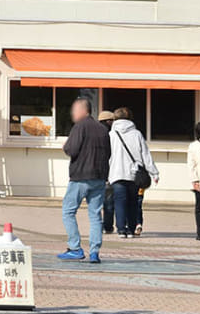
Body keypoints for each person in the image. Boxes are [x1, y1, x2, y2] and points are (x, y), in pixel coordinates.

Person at [59, 95, 110, 263]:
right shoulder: (102, 129)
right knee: (95, 215)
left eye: (74, 110)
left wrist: (65, 146)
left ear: (83, 110)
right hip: (99, 177)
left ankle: (75, 248)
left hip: (80, 177)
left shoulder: (79, 127)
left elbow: (71, 149)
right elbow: (109, 153)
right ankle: (94, 252)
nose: (73, 114)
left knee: (68, 211)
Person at [107, 107, 159, 238]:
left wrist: (104, 173)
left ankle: (121, 229)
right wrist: (154, 172)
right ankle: (130, 229)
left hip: (116, 173)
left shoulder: (111, 135)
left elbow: (107, 156)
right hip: (134, 174)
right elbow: (145, 155)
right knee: (133, 202)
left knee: (119, 202)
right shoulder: (137, 134)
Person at [97, 110, 116, 234]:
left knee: (96, 202)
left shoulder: (93, 134)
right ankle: (107, 226)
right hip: (108, 172)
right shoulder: (111, 135)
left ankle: (97, 225)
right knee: (109, 202)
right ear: (109, 121)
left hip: (94, 173)